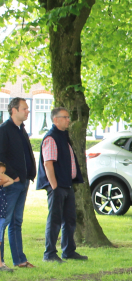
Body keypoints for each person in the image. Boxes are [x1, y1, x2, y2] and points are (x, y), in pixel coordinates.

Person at [37, 107, 88, 263]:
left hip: (67, 185)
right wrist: (54, 186)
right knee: (55, 220)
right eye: (65, 117)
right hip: (58, 186)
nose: (68, 120)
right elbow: (48, 163)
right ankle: (50, 254)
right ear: (55, 119)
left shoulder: (64, 137)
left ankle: (69, 251)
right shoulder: (51, 138)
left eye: (68, 117)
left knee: (70, 219)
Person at [0, 97, 37, 268]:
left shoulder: (21, 130)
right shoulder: (5, 130)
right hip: (11, 183)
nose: (27, 111)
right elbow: (1, 156)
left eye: (28, 109)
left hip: (23, 182)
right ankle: (0, 262)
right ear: (14, 110)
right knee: (3, 221)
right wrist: (13, 175)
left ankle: (20, 260)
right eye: (24, 108)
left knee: (16, 222)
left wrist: (29, 174)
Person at [0, 162, 14, 272]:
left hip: (1, 214)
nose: (3, 175)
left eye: (3, 173)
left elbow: (11, 180)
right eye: (1, 173)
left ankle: (0, 264)